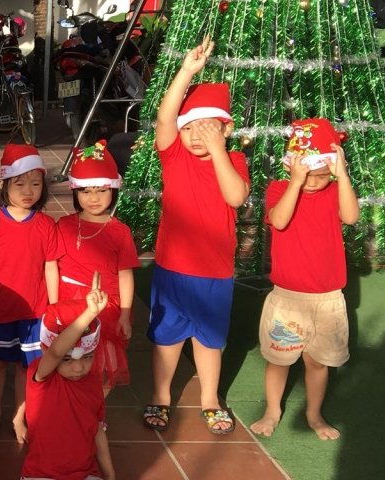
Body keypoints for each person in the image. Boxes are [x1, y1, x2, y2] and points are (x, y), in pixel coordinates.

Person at [143, 37, 250, 435]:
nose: (195, 135)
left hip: (215, 273)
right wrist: (187, 71)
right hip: (173, 268)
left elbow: (235, 197)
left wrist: (219, 151)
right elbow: (164, 118)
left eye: (207, 127)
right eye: (189, 127)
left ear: (227, 129)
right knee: (167, 339)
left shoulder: (233, 160)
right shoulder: (174, 155)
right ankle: (160, 395)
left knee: (209, 341)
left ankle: (210, 399)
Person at [250, 118, 359, 441]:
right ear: (291, 166)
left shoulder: (336, 191)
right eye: (305, 173)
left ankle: (314, 414)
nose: (312, 181)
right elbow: (280, 220)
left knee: (318, 362)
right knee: (279, 360)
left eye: (320, 174)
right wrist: (295, 183)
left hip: (328, 299)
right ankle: (272, 411)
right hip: (287, 298)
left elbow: (351, 216)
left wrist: (342, 175)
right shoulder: (279, 189)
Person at [0, 143, 60, 439]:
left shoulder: (46, 225)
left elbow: (50, 268)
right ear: (4, 184)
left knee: (25, 367)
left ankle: (19, 417)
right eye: (19, 184)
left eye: (35, 184)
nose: (28, 191)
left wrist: (54, 309)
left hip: (34, 313)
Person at [56, 140, 140, 397]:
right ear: (75, 192)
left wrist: (125, 314)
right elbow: (52, 267)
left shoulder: (120, 231)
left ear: (113, 189)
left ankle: (96, 407)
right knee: (68, 356)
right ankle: (72, 403)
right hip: (68, 303)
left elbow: (125, 275)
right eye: (85, 191)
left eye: (101, 190)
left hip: (106, 305)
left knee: (103, 359)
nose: (93, 198)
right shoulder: (63, 225)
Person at [23, 273, 116, 480]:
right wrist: (90, 313)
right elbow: (56, 351)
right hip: (41, 474)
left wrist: (110, 475)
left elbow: (98, 431)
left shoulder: (93, 382)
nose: (78, 368)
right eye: (67, 360)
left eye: (87, 357)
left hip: (85, 473)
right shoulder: (42, 377)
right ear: (45, 350)